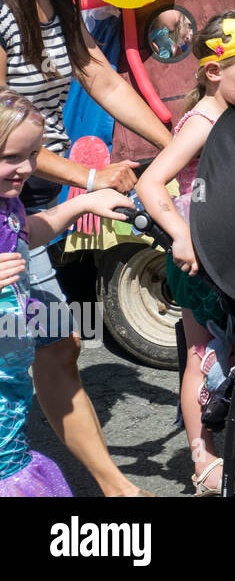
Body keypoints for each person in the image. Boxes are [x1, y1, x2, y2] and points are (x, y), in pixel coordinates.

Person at [0, 0, 172, 497]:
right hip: (8, 191)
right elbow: (0, 131)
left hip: (33, 192)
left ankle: (105, 483)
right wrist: (89, 174)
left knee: (48, 339)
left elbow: (99, 75)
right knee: (45, 336)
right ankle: (114, 489)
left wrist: (174, 142)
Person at [137, 0, 235, 494]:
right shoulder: (202, 122)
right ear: (214, 71)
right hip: (199, 257)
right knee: (203, 353)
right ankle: (203, 459)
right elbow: (152, 184)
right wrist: (180, 235)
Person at [0, 90, 133, 497]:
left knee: (64, 341)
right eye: (10, 158)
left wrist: (85, 203)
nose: (25, 169)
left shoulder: (8, 205)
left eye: (33, 155)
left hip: (11, 408)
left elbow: (29, 234)